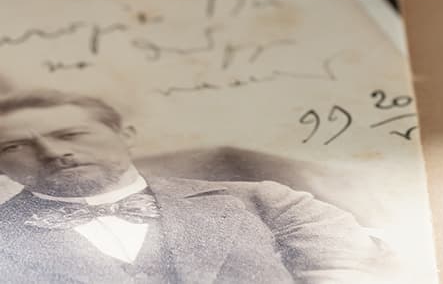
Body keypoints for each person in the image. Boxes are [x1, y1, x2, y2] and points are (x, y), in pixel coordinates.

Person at [0, 89, 380, 282]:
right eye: (15, 146)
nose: (52, 152)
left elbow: (349, 273)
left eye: (71, 134)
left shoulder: (267, 201)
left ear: (125, 134)